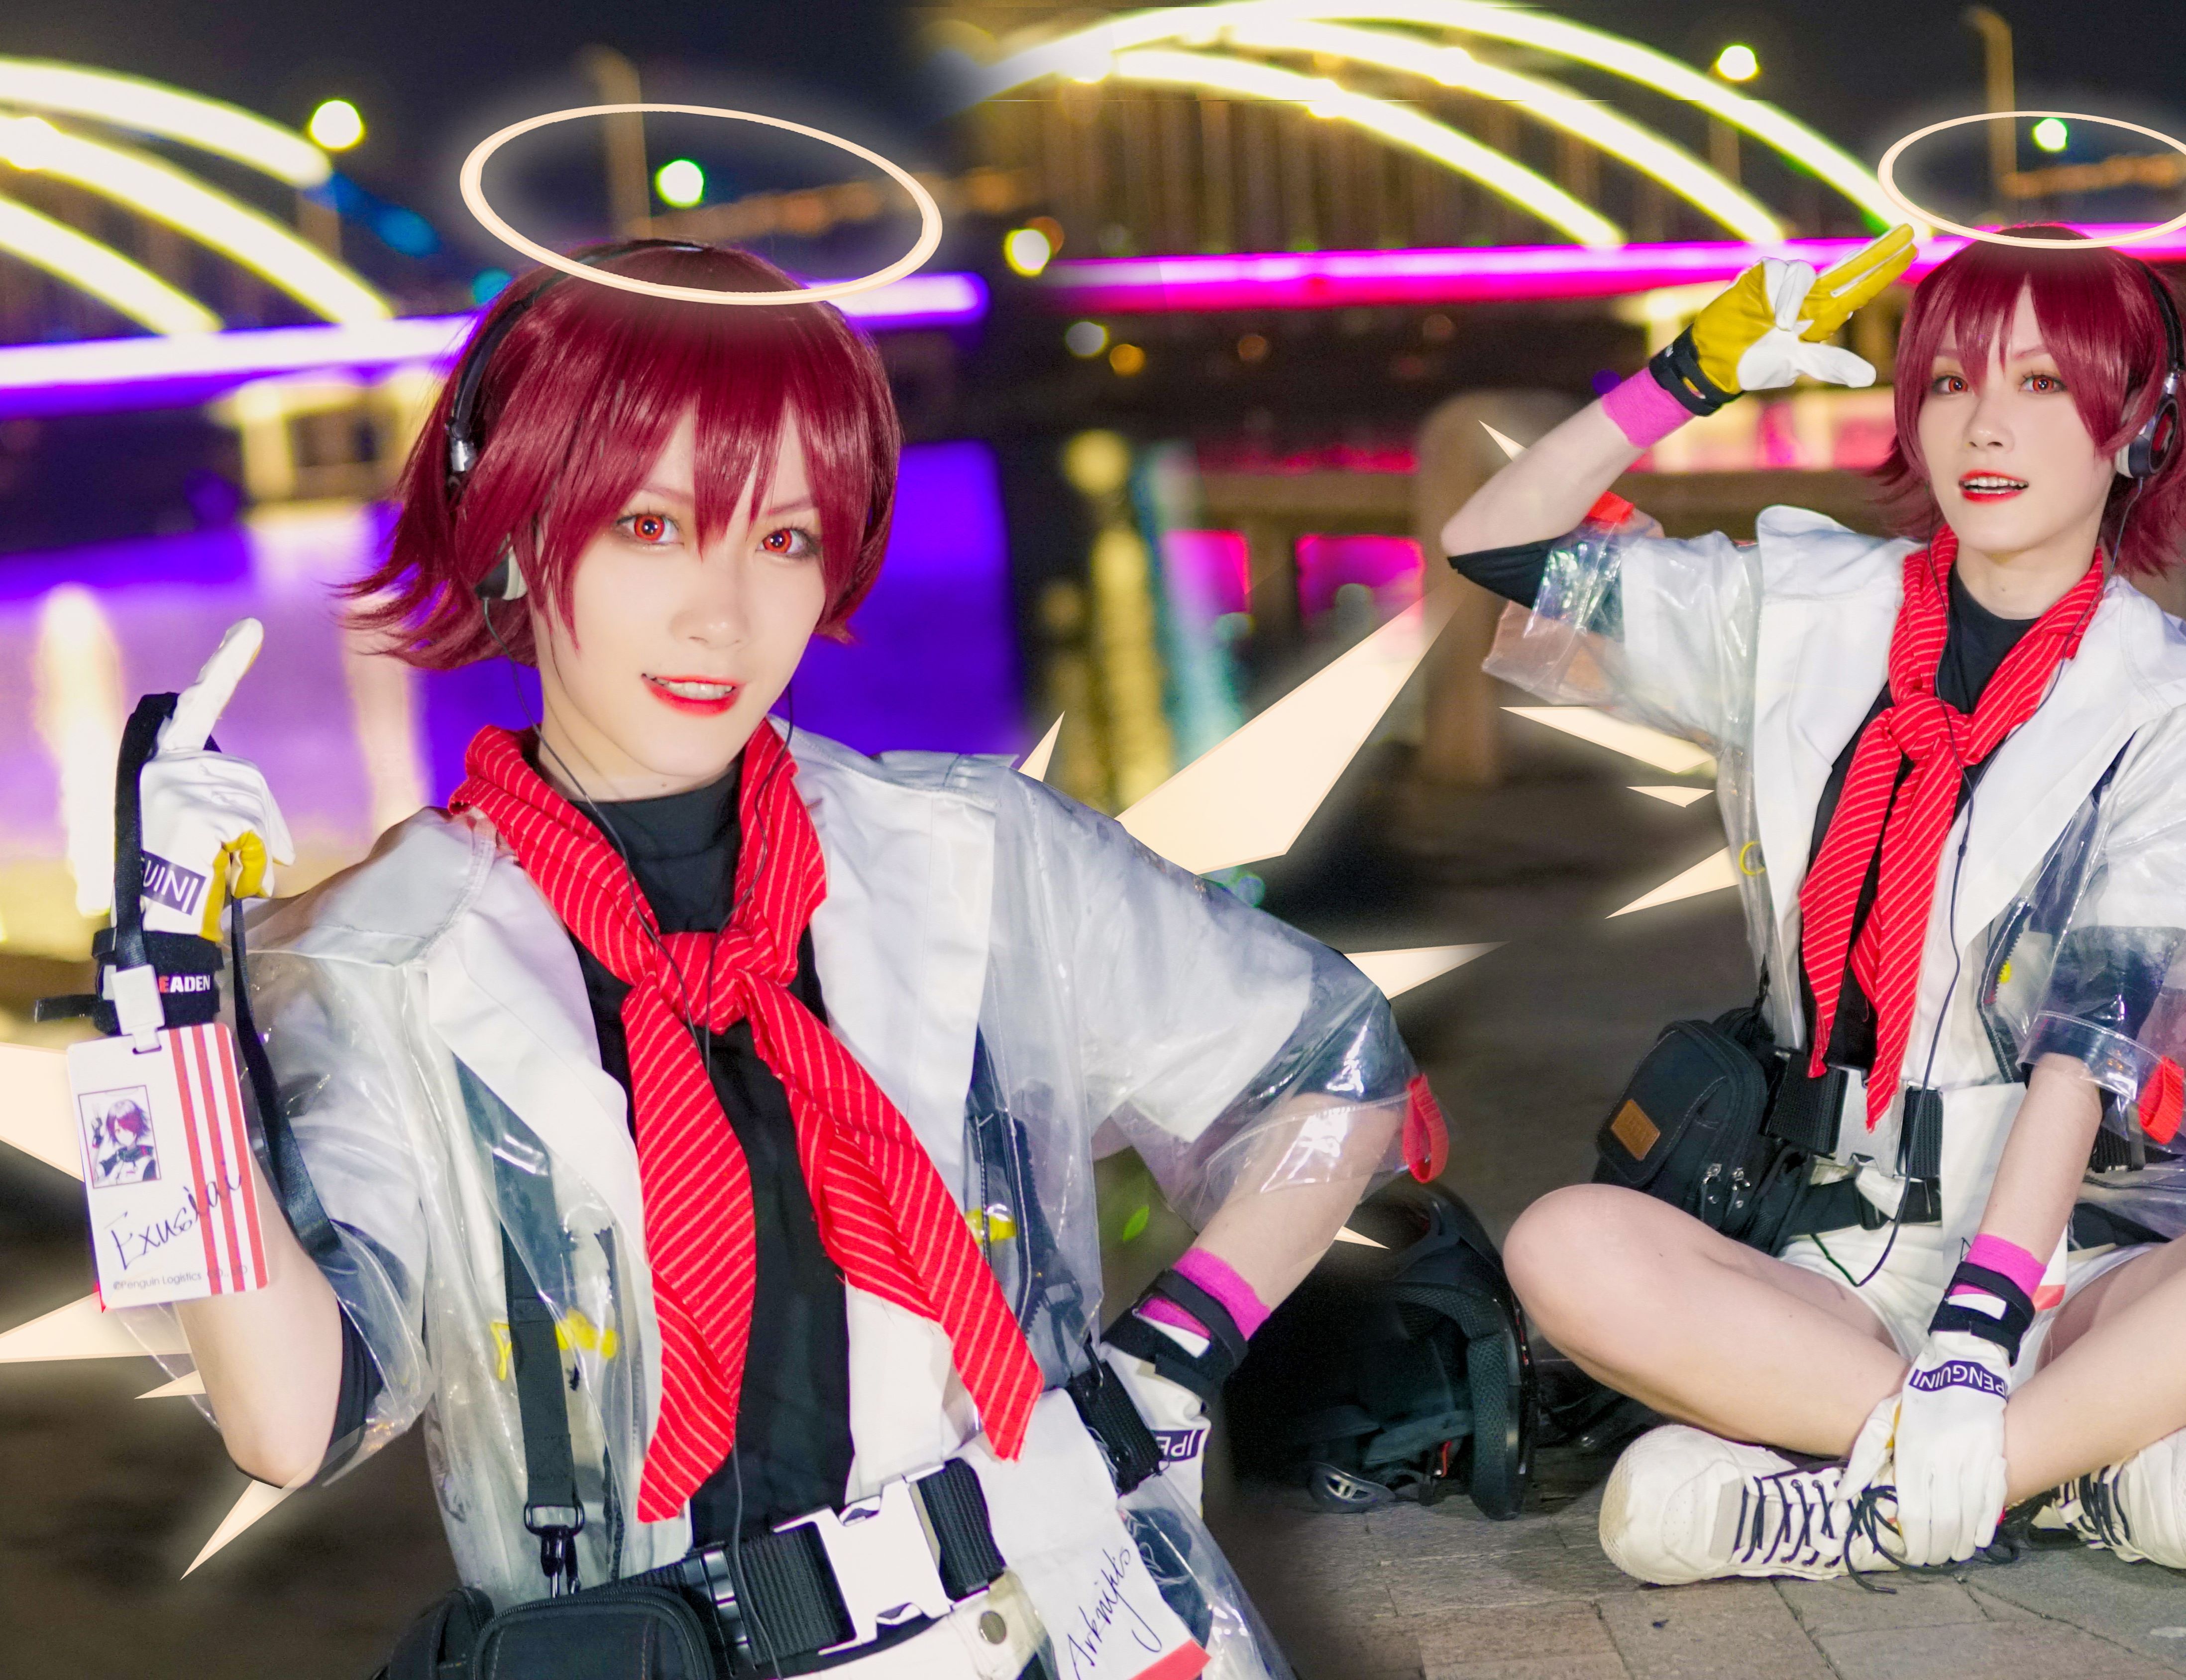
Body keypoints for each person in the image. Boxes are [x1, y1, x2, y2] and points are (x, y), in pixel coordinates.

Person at [115, 240, 1420, 1678]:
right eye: (653, 526)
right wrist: (165, 1007)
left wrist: (1162, 1361)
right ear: (512, 526)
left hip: (1053, 1627)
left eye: (786, 539)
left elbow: (1330, 1067)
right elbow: (291, 1418)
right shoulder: (388, 958)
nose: (724, 615)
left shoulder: (978, 857)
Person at [1441, 230, 2186, 1584]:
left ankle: (1866, 1502)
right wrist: (1684, 378)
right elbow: (1491, 543)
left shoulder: (2179, 706)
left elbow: (2091, 1049)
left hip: (2061, 1251)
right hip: (1820, 1239)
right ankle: (2058, 1476)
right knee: (1563, 1247)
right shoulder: (1799, 608)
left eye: (2041, 384)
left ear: (2139, 424)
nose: (1984, 426)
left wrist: (1976, 1333)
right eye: (1949, 383)